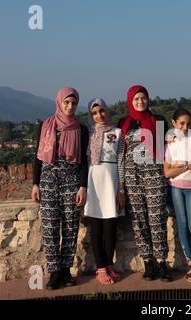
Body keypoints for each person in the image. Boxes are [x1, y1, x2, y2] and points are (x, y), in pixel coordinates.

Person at [31, 87, 89, 290]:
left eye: (73, 103)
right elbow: (38, 156)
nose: (70, 106)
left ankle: (66, 271)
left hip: (71, 180)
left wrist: (83, 186)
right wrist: (35, 183)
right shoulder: (46, 125)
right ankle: (54, 272)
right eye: (66, 102)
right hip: (48, 180)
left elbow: (83, 162)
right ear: (59, 102)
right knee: (50, 227)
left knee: (71, 227)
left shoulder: (80, 130)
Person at [118, 85, 172, 282]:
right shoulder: (123, 123)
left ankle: (161, 262)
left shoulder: (158, 120)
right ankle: (148, 262)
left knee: (157, 219)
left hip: (155, 176)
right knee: (139, 220)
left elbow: (167, 150)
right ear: (130, 101)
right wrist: (121, 186)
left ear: (148, 99)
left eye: (143, 98)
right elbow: (120, 155)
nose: (140, 102)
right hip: (133, 179)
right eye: (136, 99)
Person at [164, 108, 191, 282]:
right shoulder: (170, 144)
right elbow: (167, 173)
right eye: (181, 123)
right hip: (175, 188)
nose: (185, 127)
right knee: (182, 225)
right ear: (174, 123)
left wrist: (182, 165)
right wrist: (189, 164)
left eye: (188, 124)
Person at [84, 98, 125, 284]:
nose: (99, 115)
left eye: (101, 111)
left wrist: (121, 189)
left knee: (110, 227)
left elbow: (121, 160)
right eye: (94, 113)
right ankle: (101, 268)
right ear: (90, 115)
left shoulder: (117, 132)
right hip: (92, 181)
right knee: (96, 228)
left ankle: (108, 265)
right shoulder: (87, 133)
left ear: (107, 111)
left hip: (111, 181)